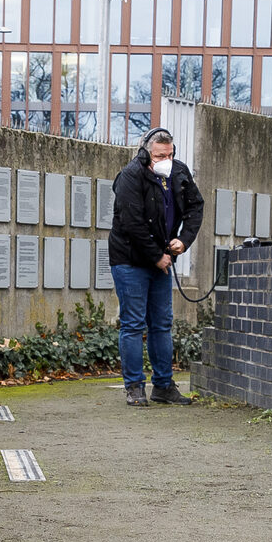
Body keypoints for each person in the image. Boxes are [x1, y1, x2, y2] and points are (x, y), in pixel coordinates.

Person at [108, 127, 205, 406]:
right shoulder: (131, 176)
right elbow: (132, 223)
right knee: (133, 324)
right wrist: (156, 256)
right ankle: (134, 387)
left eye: (170, 154)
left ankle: (163, 386)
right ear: (146, 153)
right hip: (130, 260)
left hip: (161, 260)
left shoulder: (178, 172)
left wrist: (183, 241)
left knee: (162, 324)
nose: (166, 159)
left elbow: (195, 206)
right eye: (160, 155)